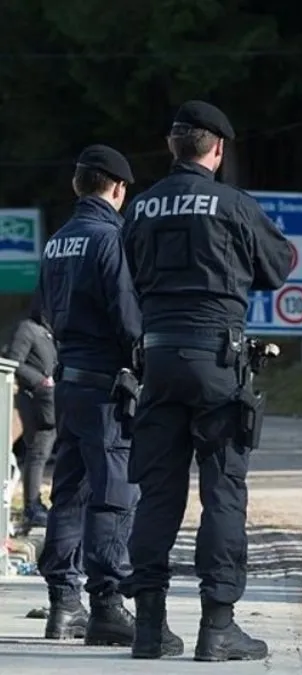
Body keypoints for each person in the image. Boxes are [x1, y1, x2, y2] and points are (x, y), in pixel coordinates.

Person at [118, 101, 292, 661]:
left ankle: (148, 629)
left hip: (158, 362)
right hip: (217, 362)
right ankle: (217, 628)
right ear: (217, 148)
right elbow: (279, 265)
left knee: (157, 494)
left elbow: (126, 278)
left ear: (173, 146)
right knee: (221, 491)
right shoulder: (234, 205)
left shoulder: (140, 208)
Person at [31, 145, 144, 647]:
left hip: (68, 381)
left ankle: (63, 605)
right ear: (117, 188)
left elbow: (43, 310)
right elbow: (127, 317)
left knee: (68, 493)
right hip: (104, 384)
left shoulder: (57, 241)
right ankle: (109, 604)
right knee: (112, 493)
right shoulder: (110, 238)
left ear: (79, 185)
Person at [4, 305, 57, 532]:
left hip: (51, 401)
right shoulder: (28, 329)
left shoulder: (49, 333)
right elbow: (14, 362)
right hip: (34, 399)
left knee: (43, 453)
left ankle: (38, 504)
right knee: (37, 452)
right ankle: (32, 505)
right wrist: (40, 381)